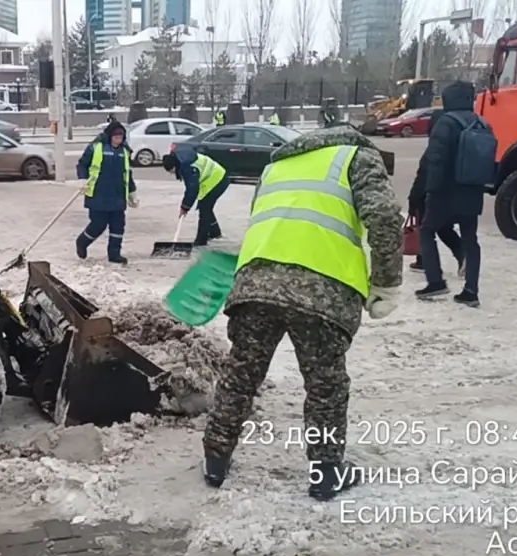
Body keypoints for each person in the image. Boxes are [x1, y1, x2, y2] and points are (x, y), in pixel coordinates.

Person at [201, 124, 403, 501]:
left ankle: (215, 459)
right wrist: (386, 283)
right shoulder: (355, 156)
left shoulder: (276, 167)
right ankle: (326, 474)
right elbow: (385, 216)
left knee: (241, 373)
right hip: (321, 290)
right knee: (325, 385)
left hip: (256, 283)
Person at [413, 81, 484, 307]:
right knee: (471, 240)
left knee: (427, 230)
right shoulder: (481, 123)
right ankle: (471, 291)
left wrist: (429, 191)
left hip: (445, 191)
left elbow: (436, 160)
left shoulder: (446, 123)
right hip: (472, 190)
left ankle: (435, 281)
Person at [74, 120, 138, 265]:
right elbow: (82, 164)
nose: (118, 139)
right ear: (109, 136)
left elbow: (127, 174)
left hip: (118, 195)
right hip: (99, 194)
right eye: (116, 137)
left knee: (118, 226)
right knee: (98, 225)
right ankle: (82, 242)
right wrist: (82, 179)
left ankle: (114, 254)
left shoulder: (124, 151)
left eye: (121, 137)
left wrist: (132, 192)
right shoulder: (96, 148)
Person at [161, 149, 229, 245]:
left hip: (218, 180)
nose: (172, 173)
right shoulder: (180, 159)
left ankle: (201, 241)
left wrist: (185, 207)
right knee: (206, 207)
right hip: (213, 179)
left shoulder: (187, 167)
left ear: (174, 166)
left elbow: (192, 189)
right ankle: (215, 233)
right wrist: (185, 206)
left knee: (204, 209)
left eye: (171, 171)